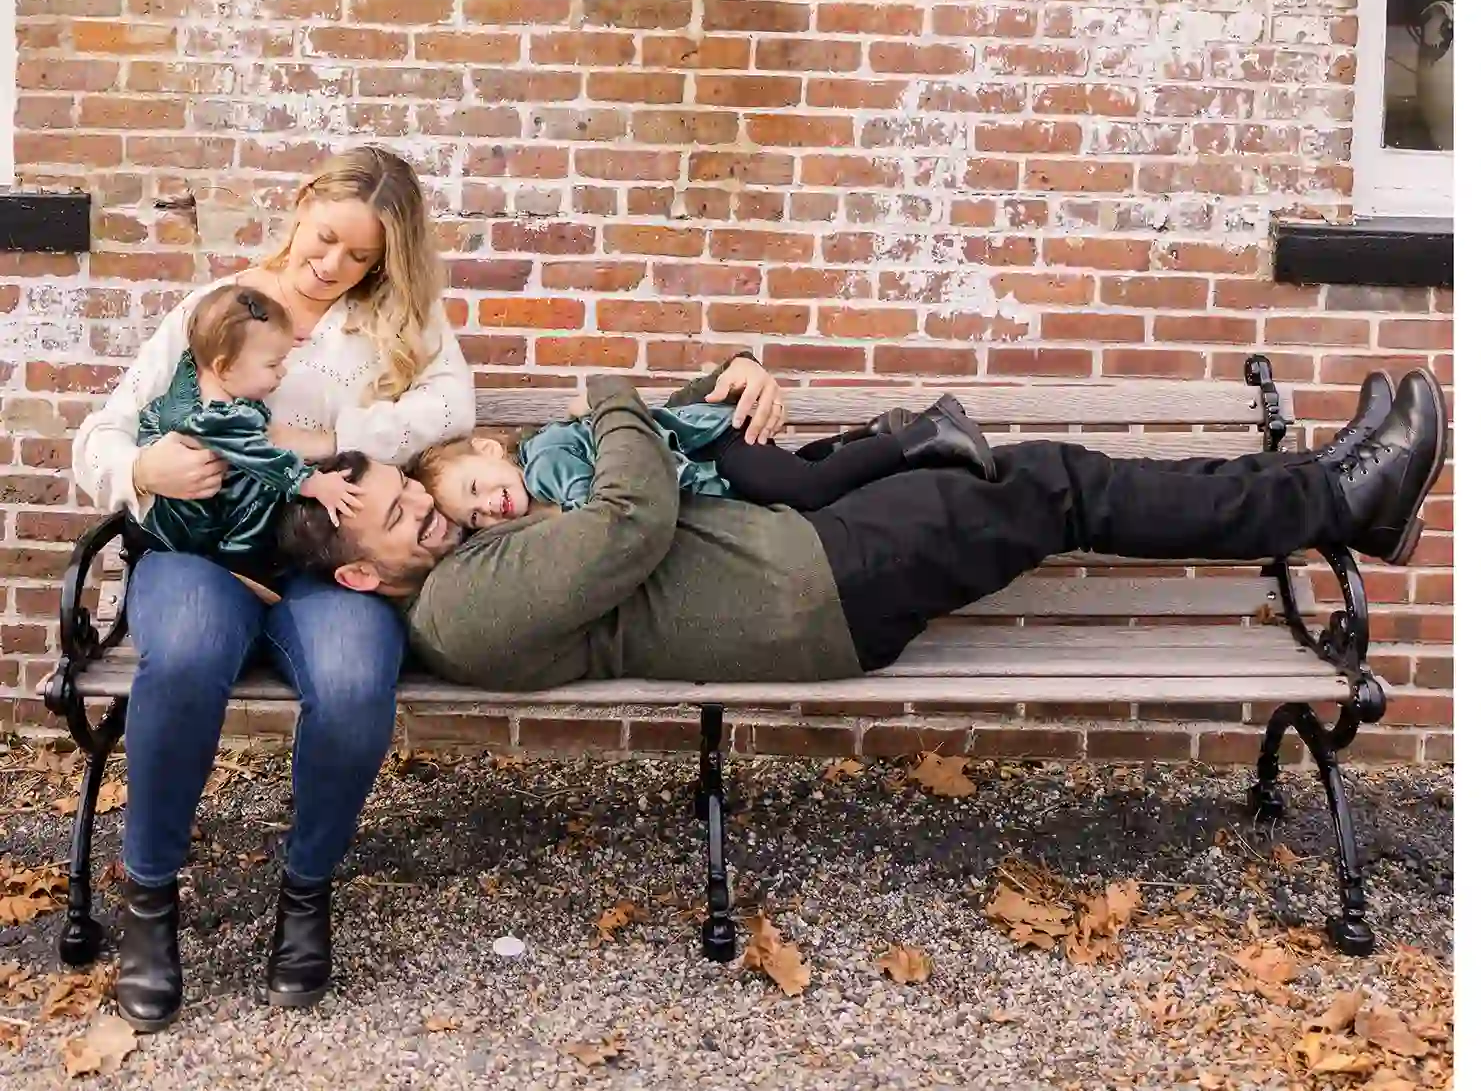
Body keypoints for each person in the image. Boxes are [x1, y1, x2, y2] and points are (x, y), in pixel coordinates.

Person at [275, 363, 1448, 704]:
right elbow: (628, 520)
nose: (426, 500)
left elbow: (631, 480)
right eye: (400, 511)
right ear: (366, 571)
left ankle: (1315, 484)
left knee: (1052, 479)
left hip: (802, 560)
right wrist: (608, 397)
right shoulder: (461, 608)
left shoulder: (468, 553)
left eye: (405, 484)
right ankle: (1336, 499)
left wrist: (716, 378)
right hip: (810, 588)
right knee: (1052, 486)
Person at [72, 145, 477, 1031]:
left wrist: (355, 428)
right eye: (325, 238)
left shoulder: (396, 321)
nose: (331, 266)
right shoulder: (216, 310)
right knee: (182, 658)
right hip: (201, 555)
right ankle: (149, 902)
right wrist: (143, 463)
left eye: (359, 256)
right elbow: (99, 432)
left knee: (353, 680)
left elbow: (455, 403)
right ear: (300, 206)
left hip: (324, 564)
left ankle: (305, 890)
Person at [409, 391, 995, 528]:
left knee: (810, 493)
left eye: (477, 488)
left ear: (489, 450)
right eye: (477, 517)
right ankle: (869, 436)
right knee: (794, 481)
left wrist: (552, 521)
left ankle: (928, 433)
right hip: (709, 456)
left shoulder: (542, 462)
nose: (491, 506)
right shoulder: (537, 468)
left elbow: (600, 509)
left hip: (709, 447)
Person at [133, 283, 360, 574]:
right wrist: (319, 484)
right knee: (262, 490)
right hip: (192, 531)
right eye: (273, 364)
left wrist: (275, 343)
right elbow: (269, 460)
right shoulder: (217, 419)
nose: (283, 371)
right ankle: (244, 563)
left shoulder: (194, 371)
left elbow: (211, 341)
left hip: (174, 514)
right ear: (225, 368)